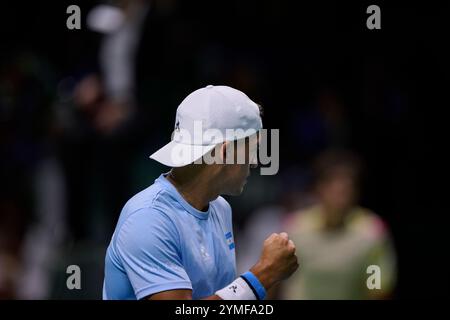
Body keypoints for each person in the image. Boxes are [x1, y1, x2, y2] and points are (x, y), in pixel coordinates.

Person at [102, 85, 298, 300]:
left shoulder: (220, 208)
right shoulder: (147, 218)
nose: (254, 162)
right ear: (225, 152)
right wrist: (263, 276)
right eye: (252, 149)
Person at [282, 150, 397, 299]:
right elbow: (275, 281)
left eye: (347, 187)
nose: (340, 194)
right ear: (318, 188)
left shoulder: (372, 232)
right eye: (332, 185)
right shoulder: (294, 227)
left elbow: (377, 289)